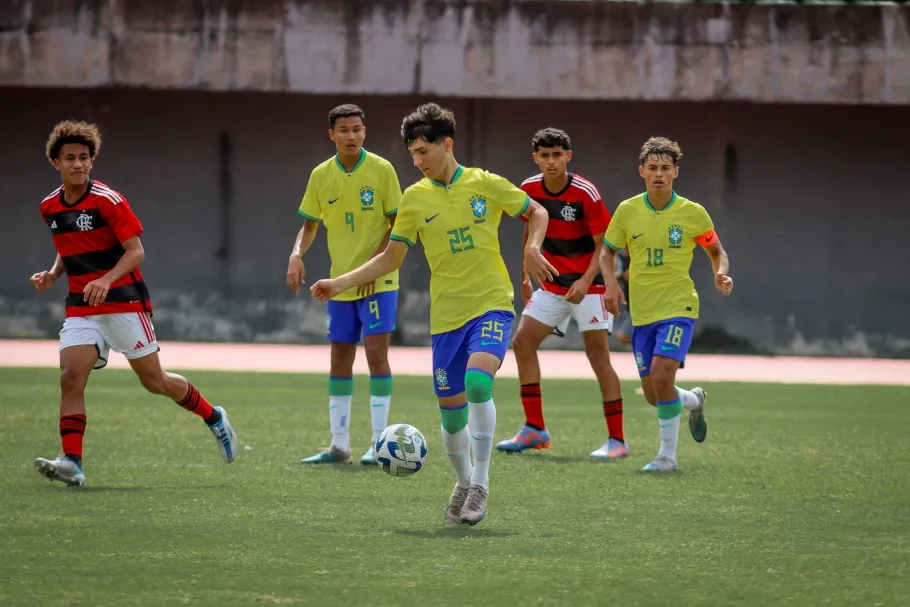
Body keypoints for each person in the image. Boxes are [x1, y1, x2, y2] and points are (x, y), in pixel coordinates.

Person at [310, 103, 555, 525]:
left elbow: (536, 211)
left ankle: (480, 482)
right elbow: (390, 259)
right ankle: (462, 482)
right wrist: (339, 283)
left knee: (478, 383)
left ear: (447, 144)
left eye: (423, 151)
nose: (418, 161)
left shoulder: (485, 183)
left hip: (492, 303)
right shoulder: (414, 199)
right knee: (452, 414)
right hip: (446, 318)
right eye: (412, 155)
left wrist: (532, 247)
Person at [31, 120, 238, 487]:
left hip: (124, 303)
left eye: (83, 158)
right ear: (56, 163)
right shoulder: (50, 207)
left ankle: (213, 417)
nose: (77, 164)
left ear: (92, 162)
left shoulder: (108, 201)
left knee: (155, 382)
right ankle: (73, 463)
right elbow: (68, 248)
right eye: (69, 158)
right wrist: (52, 274)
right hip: (81, 306)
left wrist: (107, 279)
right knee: (70, 379)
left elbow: (136, 252)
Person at [600, 136, 733, 472]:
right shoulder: (628, 210)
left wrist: (720, 274)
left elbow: (716, 251)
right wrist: (612, 285)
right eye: (653, 167)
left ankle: (666, 458)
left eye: (665, 168)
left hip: (679, 307)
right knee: (653, 393)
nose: (659, 173)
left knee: (661, 375)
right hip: (642, 312)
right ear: (641, 171)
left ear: (675, 172)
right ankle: (693, 400)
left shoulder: (692, 213)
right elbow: (607, 251)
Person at [496, 128, 628, 460]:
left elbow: (604, 245)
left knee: (598, 357)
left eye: (557, 155)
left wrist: (586, 281)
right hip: (552, 285)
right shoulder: (528, 188)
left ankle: (617, 441)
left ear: (568, 156)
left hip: (589, 286)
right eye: (545, 155)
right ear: (536, 158)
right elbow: (529, 230)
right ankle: (535, 429)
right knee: (522, 343)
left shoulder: (586, 193)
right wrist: (524, 275)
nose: (551, 161)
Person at [287, 104, 402, 466]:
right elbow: (310, 224)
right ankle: (339, 446)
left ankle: (378, 444)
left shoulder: (382, 170)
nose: (351, 136)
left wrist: (371, 271)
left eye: (357, 129)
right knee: (339, 357)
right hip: (338, 285)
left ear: (364, 132)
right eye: (344, 130)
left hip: (379, 282)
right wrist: (296, 255)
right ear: (332, 134)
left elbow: (396, 227)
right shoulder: (321, 175)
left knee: (376, 355)